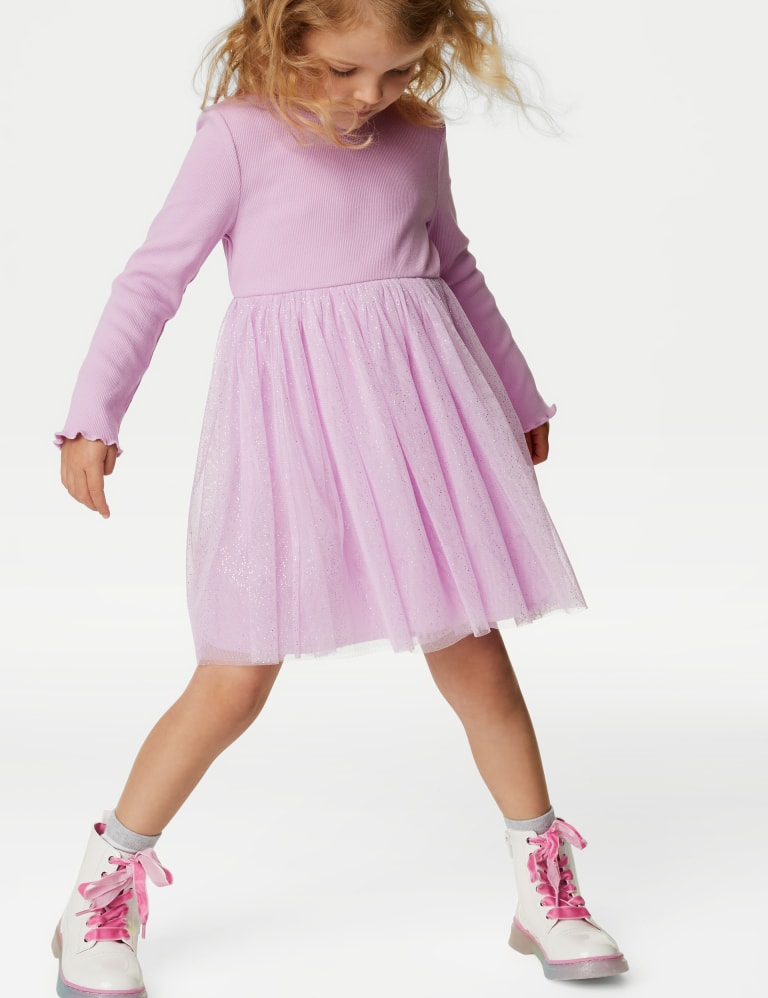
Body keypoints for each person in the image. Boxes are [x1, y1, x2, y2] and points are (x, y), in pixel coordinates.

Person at [52, 1, 629, 994]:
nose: (370, 96)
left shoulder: (418, 137)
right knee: (235, 674)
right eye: (341, 71)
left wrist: (520, 393)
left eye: (397, 72)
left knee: (475, 654)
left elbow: (456, 266)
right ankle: (101, 890)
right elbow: (153, 279)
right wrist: (91, 416)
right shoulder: (237, 136)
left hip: (419, 422)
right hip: (290, 428)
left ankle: (545, 888)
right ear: (285, 39)